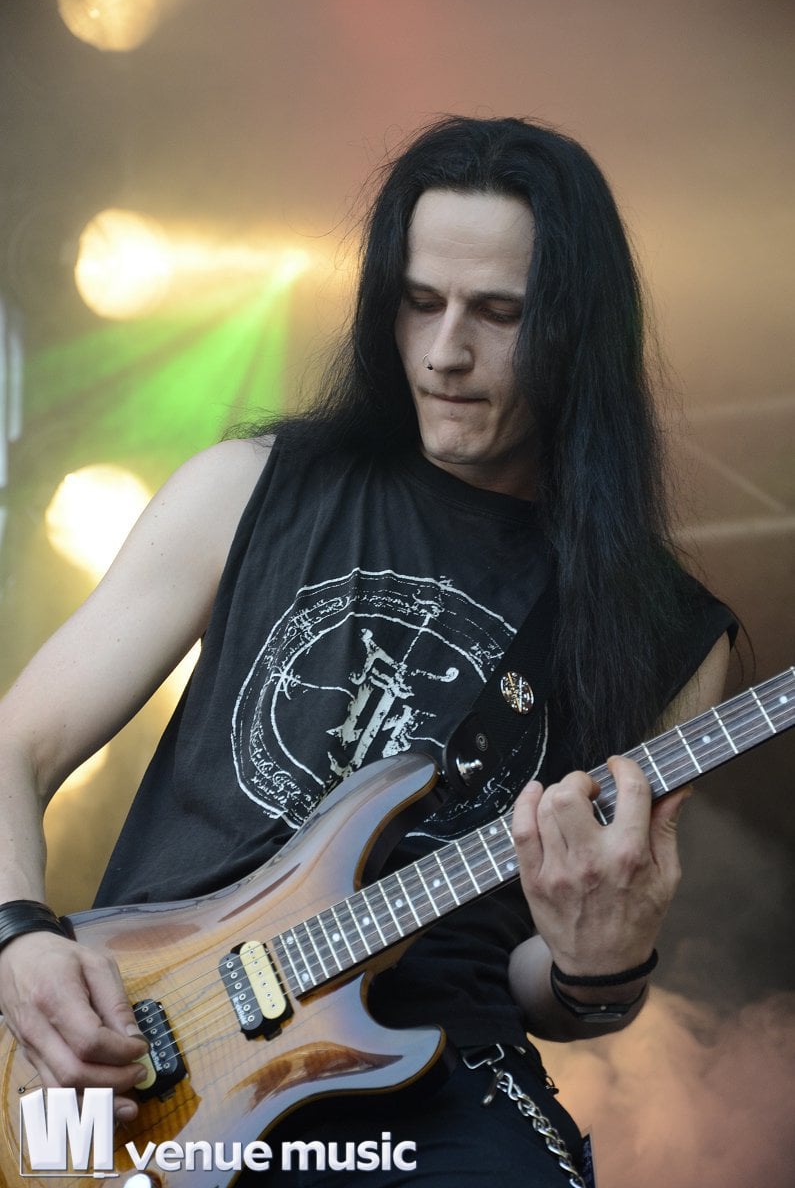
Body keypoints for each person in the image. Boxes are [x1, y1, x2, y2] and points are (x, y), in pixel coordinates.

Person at [0, 117, 733, 1186]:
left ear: (578, 328)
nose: (444, 352)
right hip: (146, 1048)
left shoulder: (664, 634)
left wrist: (601, 967)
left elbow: (544, 983)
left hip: (428, 1084)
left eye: (499, 314)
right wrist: (19, 937)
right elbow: (16, 746)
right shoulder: (249, 487)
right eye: (419, 301)